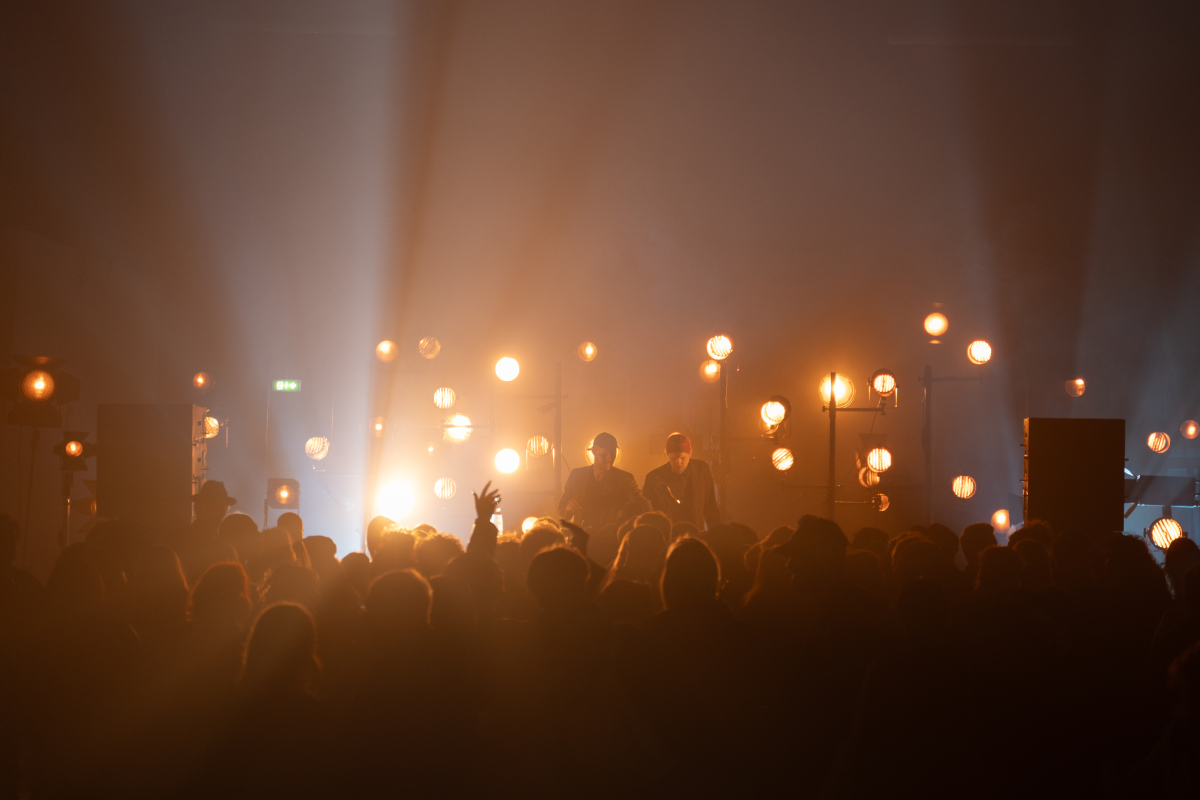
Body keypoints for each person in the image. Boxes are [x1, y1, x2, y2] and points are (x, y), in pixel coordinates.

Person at [557, 432, 649, 550]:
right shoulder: (576, 476)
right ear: (594, 451)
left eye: (612, 453)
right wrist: (568, 509)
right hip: (582, 541)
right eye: (604, 454)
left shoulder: (624, 479)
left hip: (610, 543)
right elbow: (561, 508)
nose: (609, 459)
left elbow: (643, 505)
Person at [642, 433, 720, 530]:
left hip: (696, 533)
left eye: (683, 458)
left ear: (690, 453)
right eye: (674, 458)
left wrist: (716, 534)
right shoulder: (653, 478)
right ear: (667, 454)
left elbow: (710, 507)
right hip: (669, 535)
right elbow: (647, 513)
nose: (678, 463)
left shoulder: (702, 470)